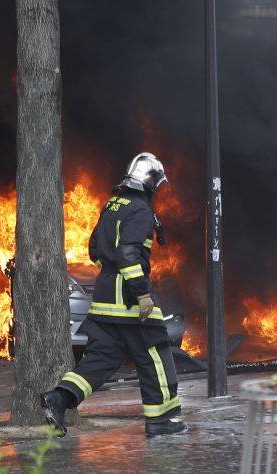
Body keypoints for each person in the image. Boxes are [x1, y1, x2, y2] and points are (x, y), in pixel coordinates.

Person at [41, 152, 187, 438]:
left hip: (105, 300)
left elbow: (95, 250)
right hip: (129, 304)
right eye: (157, 186)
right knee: (155, 354)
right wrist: (142, 295)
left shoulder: (112, 205)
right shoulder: (140, 211)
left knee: (100, 359)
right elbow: (129, 254)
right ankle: (162, 421)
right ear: (149, 183)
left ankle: (59, 398)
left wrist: (110, 275)